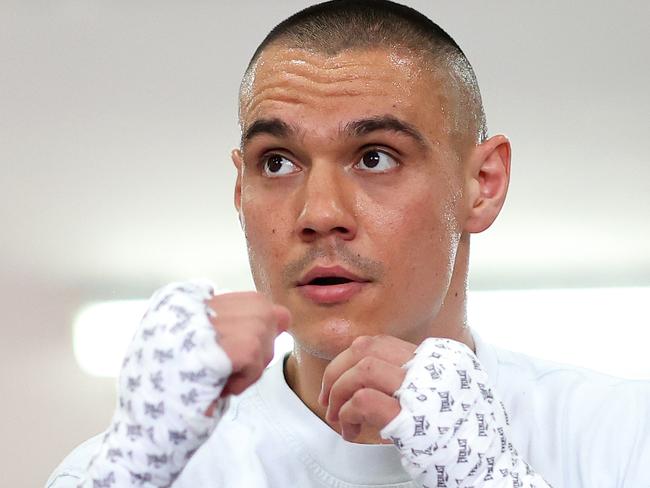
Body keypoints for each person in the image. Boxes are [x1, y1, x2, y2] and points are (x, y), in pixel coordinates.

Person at [47, 1, 649, 487]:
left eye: (375, 156)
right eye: (277, 163)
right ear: (239, 190)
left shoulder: (621, 438)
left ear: (482, 185)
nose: (319, 214)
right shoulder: (134, 470)